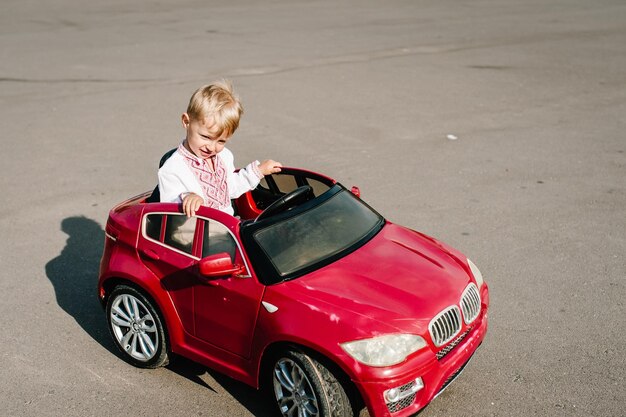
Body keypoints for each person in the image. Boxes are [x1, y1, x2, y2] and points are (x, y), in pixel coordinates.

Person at [158, 80, 282, 217]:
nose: (211, 147)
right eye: (205, 137)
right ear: (186, 122)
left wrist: (257, 171)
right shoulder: (172, 168)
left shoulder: (224, 156)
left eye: (221, 141)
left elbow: (230, 188)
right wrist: (187, 197)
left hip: (226, 227)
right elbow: (168, 208)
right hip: (194, 234)